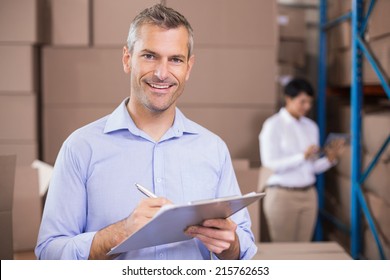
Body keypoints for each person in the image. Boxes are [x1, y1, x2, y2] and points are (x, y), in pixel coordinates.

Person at [35, 4, 257, 260]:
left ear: (189, 68)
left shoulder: (213, 149)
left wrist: (230, 245)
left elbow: (244, 249)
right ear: (127, 59)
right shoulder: (81, 148)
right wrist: (120, 232)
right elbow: (49, 255)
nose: (162, 73)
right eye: (150, 56)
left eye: (175, 59)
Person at [259, 78, 344, 242]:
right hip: (282, 195)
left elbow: (310, 167)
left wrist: (329, 160)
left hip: (308, 195)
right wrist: (301, 156)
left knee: (303, 248)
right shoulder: (273, 125)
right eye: (302, 101)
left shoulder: (311, 127)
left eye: (310, 102)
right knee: (283, 251)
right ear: (288, 99)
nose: (307, 107)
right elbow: (270, 164)